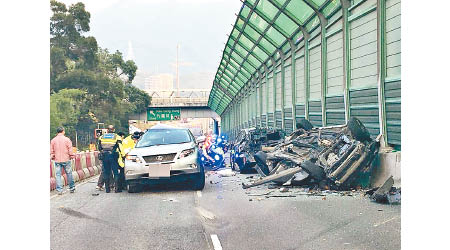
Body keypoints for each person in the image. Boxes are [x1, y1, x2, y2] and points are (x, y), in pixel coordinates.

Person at [50, 127, 76, 195]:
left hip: (57, 160)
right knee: (69, 173)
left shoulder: (53, 140)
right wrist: (72, 156)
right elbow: (70, 149)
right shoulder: (67, 139)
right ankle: (72, 188)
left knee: (58, 175)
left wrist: (52, 156)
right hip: (66, 159)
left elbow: (51, 151)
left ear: (57, 132)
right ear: (63, 131)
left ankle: (59, 190)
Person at [98, 125, 121, 193]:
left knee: (106, 172)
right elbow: (120, 146)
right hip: (113, 155)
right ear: (113, 130)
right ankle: (117, 189)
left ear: (107, 130)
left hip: (104, 156)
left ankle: (107, 189)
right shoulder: (117, 136)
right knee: (115, 172)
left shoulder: (102, 137)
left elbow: (99, 147)